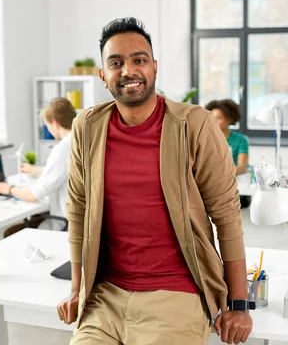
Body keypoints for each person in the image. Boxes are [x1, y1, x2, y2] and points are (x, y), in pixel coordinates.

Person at [56, 17, 252, 345]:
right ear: (103, 76)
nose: (129, 70)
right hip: (106, 296)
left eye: (139, 59)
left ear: (154, 67)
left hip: (178, 293)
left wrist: (239, 305)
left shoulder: (195, 124)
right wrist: (77, 290)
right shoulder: (87, 127)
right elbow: (78, 211)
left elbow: (226, 215)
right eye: (116, 63)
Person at [0, 97, 76, 234]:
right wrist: (34, 170)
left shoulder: (62, 149)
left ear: (55, 123)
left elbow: (33, 195)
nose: (47, 129)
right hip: (87, 220)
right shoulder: (82, 140)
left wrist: (9, 188)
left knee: (11, 232)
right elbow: (66, 170)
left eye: (46, 125)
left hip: (65, 223)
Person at [204, 99, 251, 209]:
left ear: (230, 119)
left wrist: (223, 174)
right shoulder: (205, 138)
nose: (214, 121)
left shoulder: (240, 140)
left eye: (218, 118)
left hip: (233, 181)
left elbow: (242, 166)